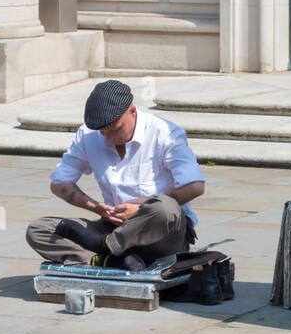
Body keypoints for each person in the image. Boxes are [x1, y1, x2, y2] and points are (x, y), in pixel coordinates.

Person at [25, 79, 205, 271]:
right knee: (39, 229)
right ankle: (111, 261)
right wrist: (98, 209)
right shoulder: (88, 135)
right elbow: (59, 183)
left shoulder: (165, 133)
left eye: (115, 129)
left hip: (161, 233)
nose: (108, 137)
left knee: (164, 207)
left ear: (132, 111)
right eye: (102, 131)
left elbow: (194, 185)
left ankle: (106, 248)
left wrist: (139, 211)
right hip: (114, 226)